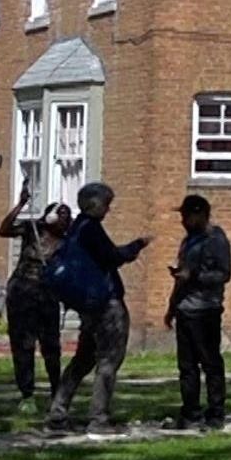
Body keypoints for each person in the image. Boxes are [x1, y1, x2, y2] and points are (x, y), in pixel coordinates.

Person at [47, 182, 150, 435]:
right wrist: (136, 246)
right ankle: (99, 418)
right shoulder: (90, 229)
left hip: (87, 304)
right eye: (107, 203)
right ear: (95, 204)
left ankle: (58, 413)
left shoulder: (75, 229)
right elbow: (112, 256)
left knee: (83, 359)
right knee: (109, 360)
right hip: (106, 303)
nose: (109, 209)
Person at [0, 181, 71, 414]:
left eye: (67, 219)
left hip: (48, 295)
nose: (65, 222)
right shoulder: (33, 229)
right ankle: (27, 393)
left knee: (51, 346)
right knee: (23, 345)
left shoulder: (68, 241)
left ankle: (56, 391)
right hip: (22, 293)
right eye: (61, 218)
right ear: (50, 218)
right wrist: (20, 204)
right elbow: (4, 230)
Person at [165, 194, 231, 430]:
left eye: (186, 215)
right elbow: (181, 276)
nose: (183, 220)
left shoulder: (216, 239)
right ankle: (190, 412)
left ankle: (215, 413)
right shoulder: (188, 241)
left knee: (210, 363)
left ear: (200, 214)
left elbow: (223, 274)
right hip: (185, 309)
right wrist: (171, 307)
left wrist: (194, 276)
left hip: (206, 309)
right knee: (186, 367)